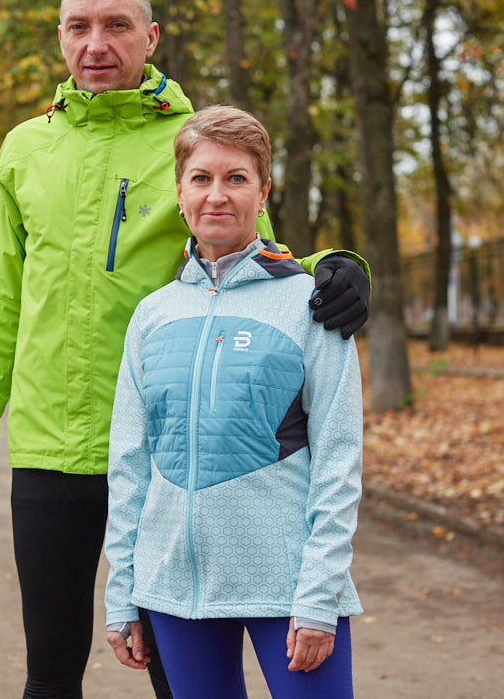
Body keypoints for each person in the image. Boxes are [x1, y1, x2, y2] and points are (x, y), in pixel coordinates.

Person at [0, 0, 370, 699]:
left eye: (116, 26)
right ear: (60, 39)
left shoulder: (191, 139)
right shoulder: (24, 148)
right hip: (51, 449)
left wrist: (337, 267)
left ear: (151, 36)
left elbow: (252, 254)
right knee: (49, 668)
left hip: (173, 455)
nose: (97, 43)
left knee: (178, 674)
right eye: (79, 27)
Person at [103, 106, 363, 698]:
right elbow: (130, 464)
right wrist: (123, 591)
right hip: (174, 590)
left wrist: (320, 594)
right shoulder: (152, 316)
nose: (216, 195)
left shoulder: (310, 305)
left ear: (263, 191)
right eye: (201, 178)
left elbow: (339, 456)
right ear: (179, 192)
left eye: (236, 178)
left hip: (289, 587)